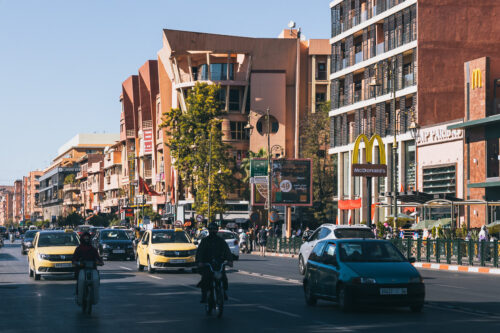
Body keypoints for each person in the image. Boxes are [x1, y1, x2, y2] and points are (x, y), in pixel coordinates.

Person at [196, 222, 233, 303]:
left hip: (219, 263)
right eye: (211, 229)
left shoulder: (221, 241)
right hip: (207, 264)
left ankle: (223, 291)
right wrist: (200, 262)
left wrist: (229, 261)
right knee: (205, 279)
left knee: (223, 278)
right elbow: (200, 252)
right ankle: (204, 295)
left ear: (217, 231)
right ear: (209, 230)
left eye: (214, 229)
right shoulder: (205, 241)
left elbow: (227, 251)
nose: (213, 231)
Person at [72, 232, 103, 296]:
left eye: (87, 239)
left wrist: (100, 262)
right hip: (81, 269)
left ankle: (94, 292)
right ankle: (78, 293)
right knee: (79, 279)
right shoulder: (78, 249)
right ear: (82, 239)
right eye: (85, 238)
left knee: (96, 279)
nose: (86, 240)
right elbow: (74, 259)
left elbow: (98, 258)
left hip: (92, 269)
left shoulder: (93, 249)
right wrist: (77, 263)